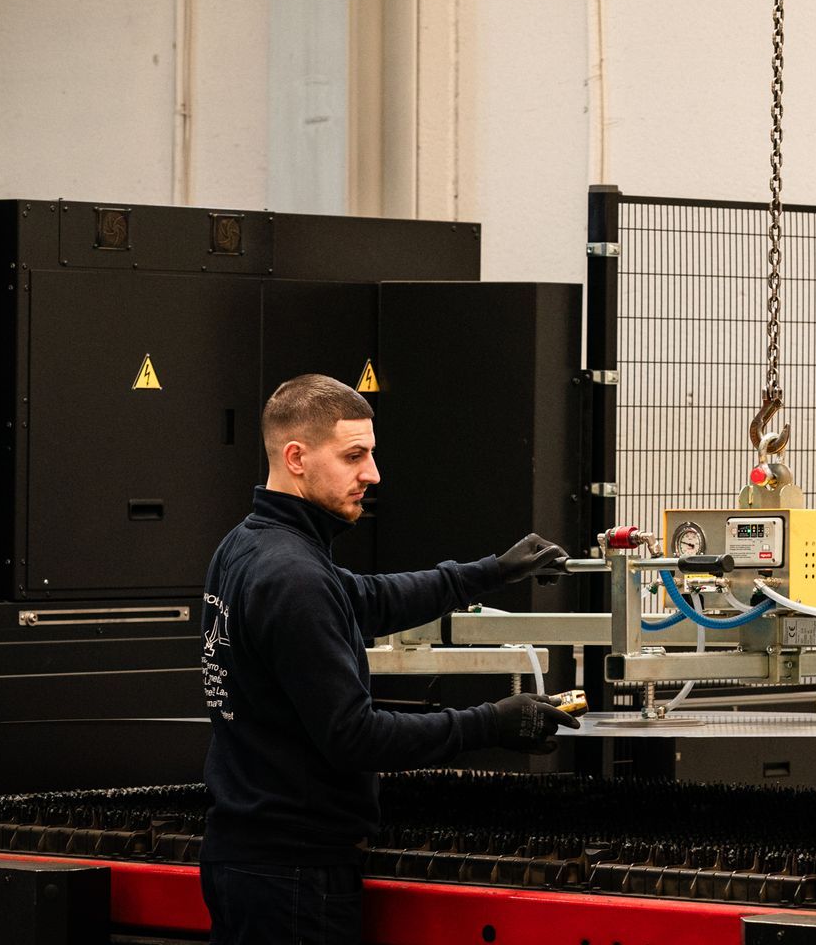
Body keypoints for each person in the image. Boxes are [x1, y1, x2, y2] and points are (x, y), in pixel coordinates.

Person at [199, 373, 578, 943]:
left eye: (371, 455)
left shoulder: (251, 545)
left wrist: (492, 572)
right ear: (297, 457)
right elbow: (353, 736)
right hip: (295, 875)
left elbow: (366, 600)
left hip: (251, 858)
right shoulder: (293, 574)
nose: (372, 475)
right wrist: (492, 723)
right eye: (354, 456)